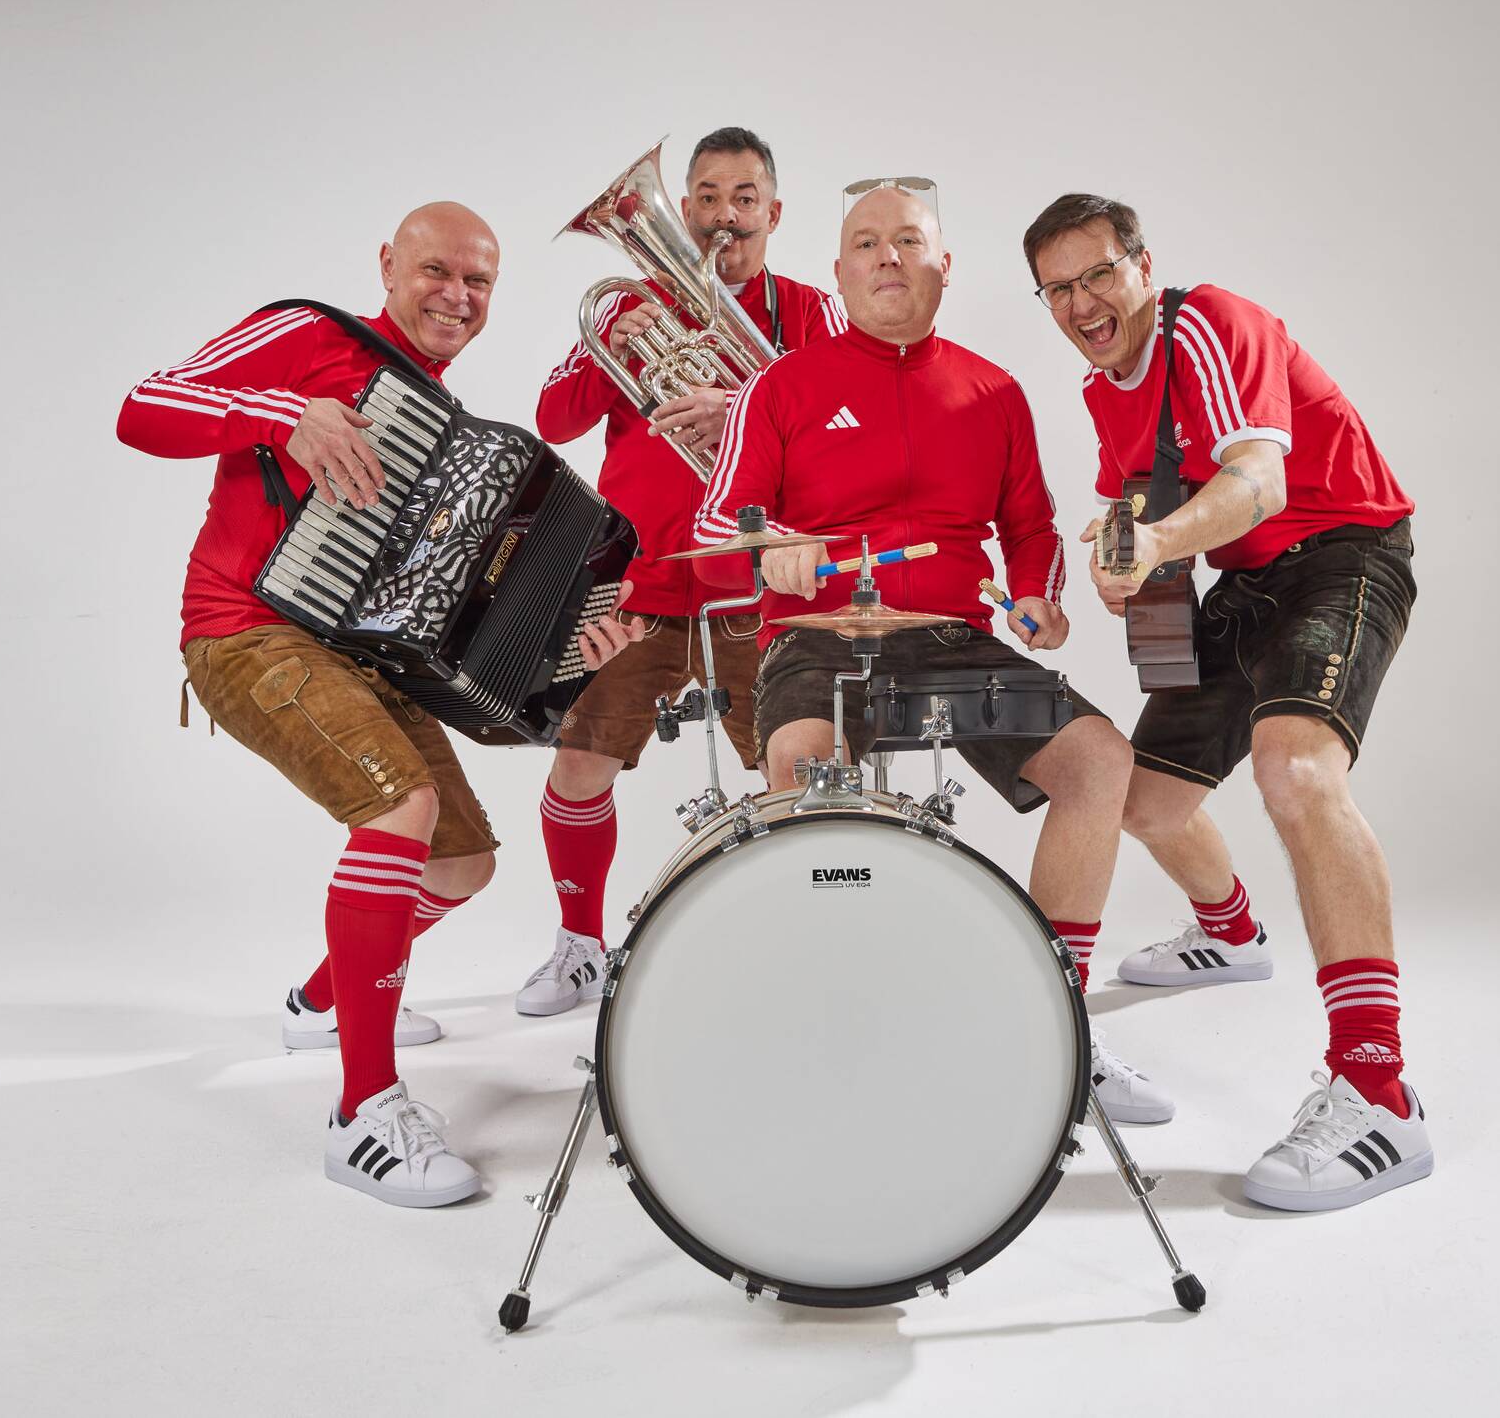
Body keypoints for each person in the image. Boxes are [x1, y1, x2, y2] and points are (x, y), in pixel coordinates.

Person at [116, 202, 641, 1207]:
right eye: (436, 270)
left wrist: (570, 649)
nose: (456, 296)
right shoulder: (306, 335)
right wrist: (285, 416)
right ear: (389, 265)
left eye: (478, 282)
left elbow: (454, 617)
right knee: (402, 808)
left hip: (349, 656)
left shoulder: (444, 421)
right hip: (243, 630)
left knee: (461, 863)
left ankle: (320, 1002)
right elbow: (144, 406)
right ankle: (362, 1113)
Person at [693, 181, 1174, 1126]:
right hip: (818, 637)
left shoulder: (993, 390)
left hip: (951, 635)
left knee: (1098, 762)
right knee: (803, 774)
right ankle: (832, 1021)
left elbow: (1028, 527)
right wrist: (769, 544)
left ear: (943, 267)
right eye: (866, 243)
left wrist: (1037, 594)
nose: (887, 256)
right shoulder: (778, 387)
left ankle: (1058, 1019)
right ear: (838, 273)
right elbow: (716, 526)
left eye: (908, 241)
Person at [1023, 191, 1428, 1210]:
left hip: (1341, 556)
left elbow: (1257, 481)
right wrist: (1120, 559)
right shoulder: (1102, 389)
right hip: (1241, 587)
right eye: (1057, 289)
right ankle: (1233, 935)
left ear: (1141, 265)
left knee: (1295, 772)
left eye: (1098, 273)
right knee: (1140, 802)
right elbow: (1137, 507)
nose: (1082, 302)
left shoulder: (1209, 323)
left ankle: (1378, 1091)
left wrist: (1157, 541)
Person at [523, 127, 843, 1016]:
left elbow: (846, 425)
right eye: (705, 196)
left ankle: (807, 948)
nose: (722, 216)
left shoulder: (815, 313)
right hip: (641, 582)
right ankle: (579, 945)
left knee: (796, 775)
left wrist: (742, 405)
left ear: (773, 211)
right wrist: (615, 345)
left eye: (743, 198)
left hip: (762, 585)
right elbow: (552, 418)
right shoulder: (631, 307)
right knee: (579, 761)